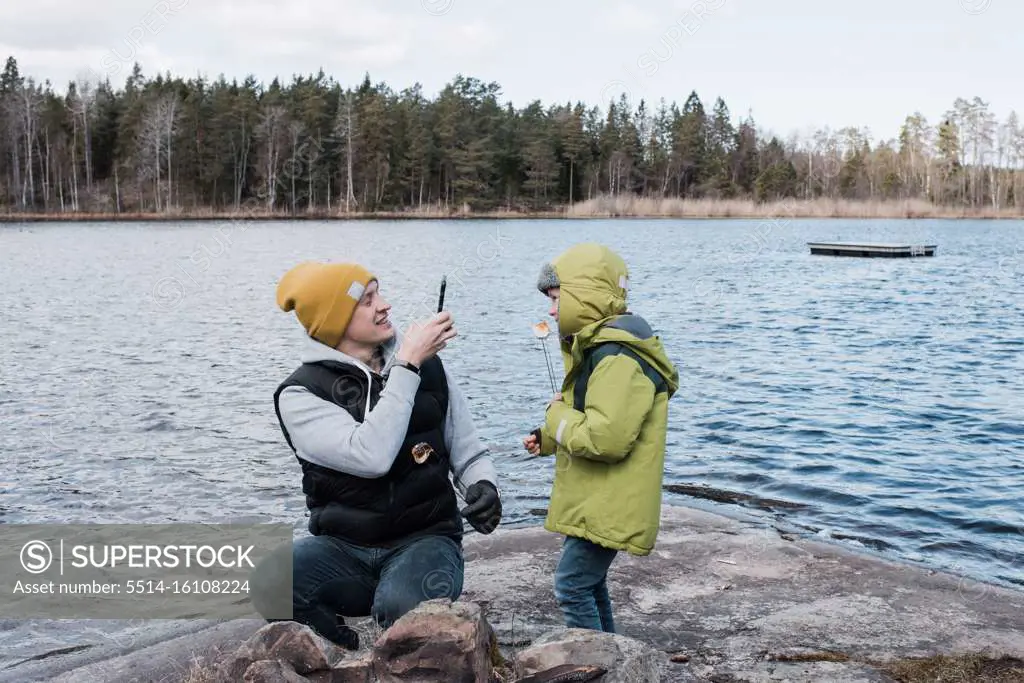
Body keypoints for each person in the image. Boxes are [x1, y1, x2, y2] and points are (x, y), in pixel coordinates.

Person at [252, 261, 502, 649]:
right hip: (343, 548)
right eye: (367, 300)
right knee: (273, 582)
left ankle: (398, 635)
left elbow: (467, 447)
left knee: (404, 610)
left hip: (425, 540)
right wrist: (408, 365)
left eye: (379, 293)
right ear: (334, 321)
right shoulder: (301, 394)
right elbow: (372, 456)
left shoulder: (429, 368)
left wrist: (483, 485)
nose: (384, 306)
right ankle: (344, 653)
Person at [522, 243, 679, 634]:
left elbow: (606, 439)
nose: (552, 310)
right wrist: (549, 437)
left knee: (571, 586)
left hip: (610, 501)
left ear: (585, 296)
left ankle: (595, 662)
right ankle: (612, 656)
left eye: (557, 298)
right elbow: (593, 417)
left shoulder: (618, 357)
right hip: (600, 497)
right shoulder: (601, 350)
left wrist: (555, 416)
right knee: (589, 583)